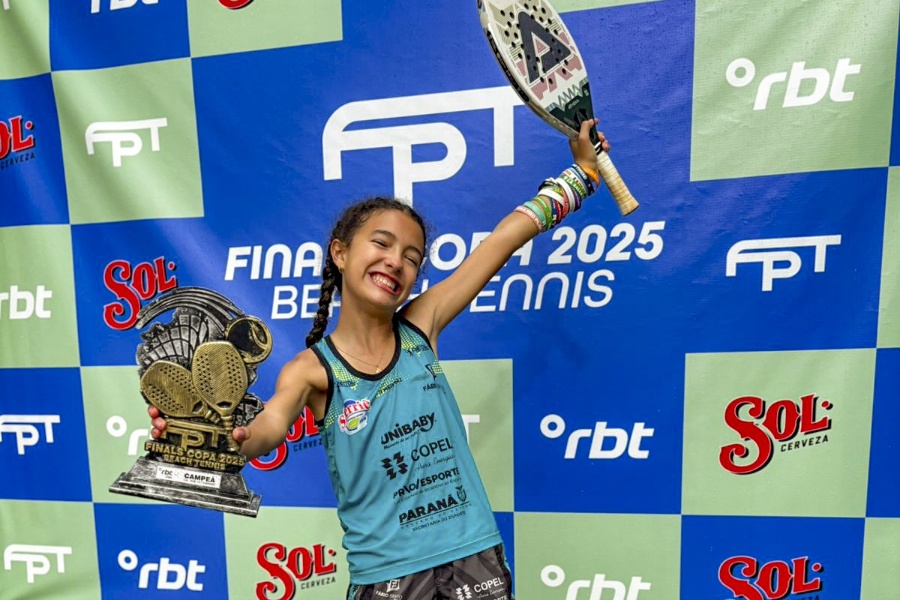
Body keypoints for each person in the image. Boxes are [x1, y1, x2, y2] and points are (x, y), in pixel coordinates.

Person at [149, 119, 611, 599]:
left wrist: (582, 173)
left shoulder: (421, 323)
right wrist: (219, 442)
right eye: (382, 243)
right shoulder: (312, 369)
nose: (396, 262)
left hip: (474, 556)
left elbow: (504, 239)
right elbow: (267, 430)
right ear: (341, 254)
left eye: (412, 257)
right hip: (389, 576)